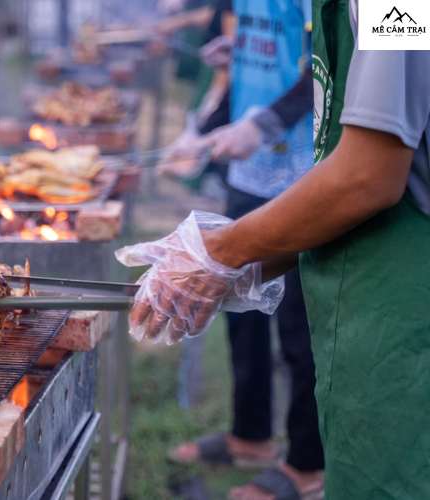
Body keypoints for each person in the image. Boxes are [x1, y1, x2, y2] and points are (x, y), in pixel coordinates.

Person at [119, 0, 430, 497]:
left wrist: (223, 249)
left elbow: (369, 176)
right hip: (361, 296)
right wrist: (246, 265)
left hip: (405, 311)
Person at [161, 1, 324, 498]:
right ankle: (250, 434)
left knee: (300, 329)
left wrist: (262, 125)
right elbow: (252, 68)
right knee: (239, 309)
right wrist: (204, 128)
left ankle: (306, 463)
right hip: (247, 176)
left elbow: (327, 72)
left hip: (304, 176)